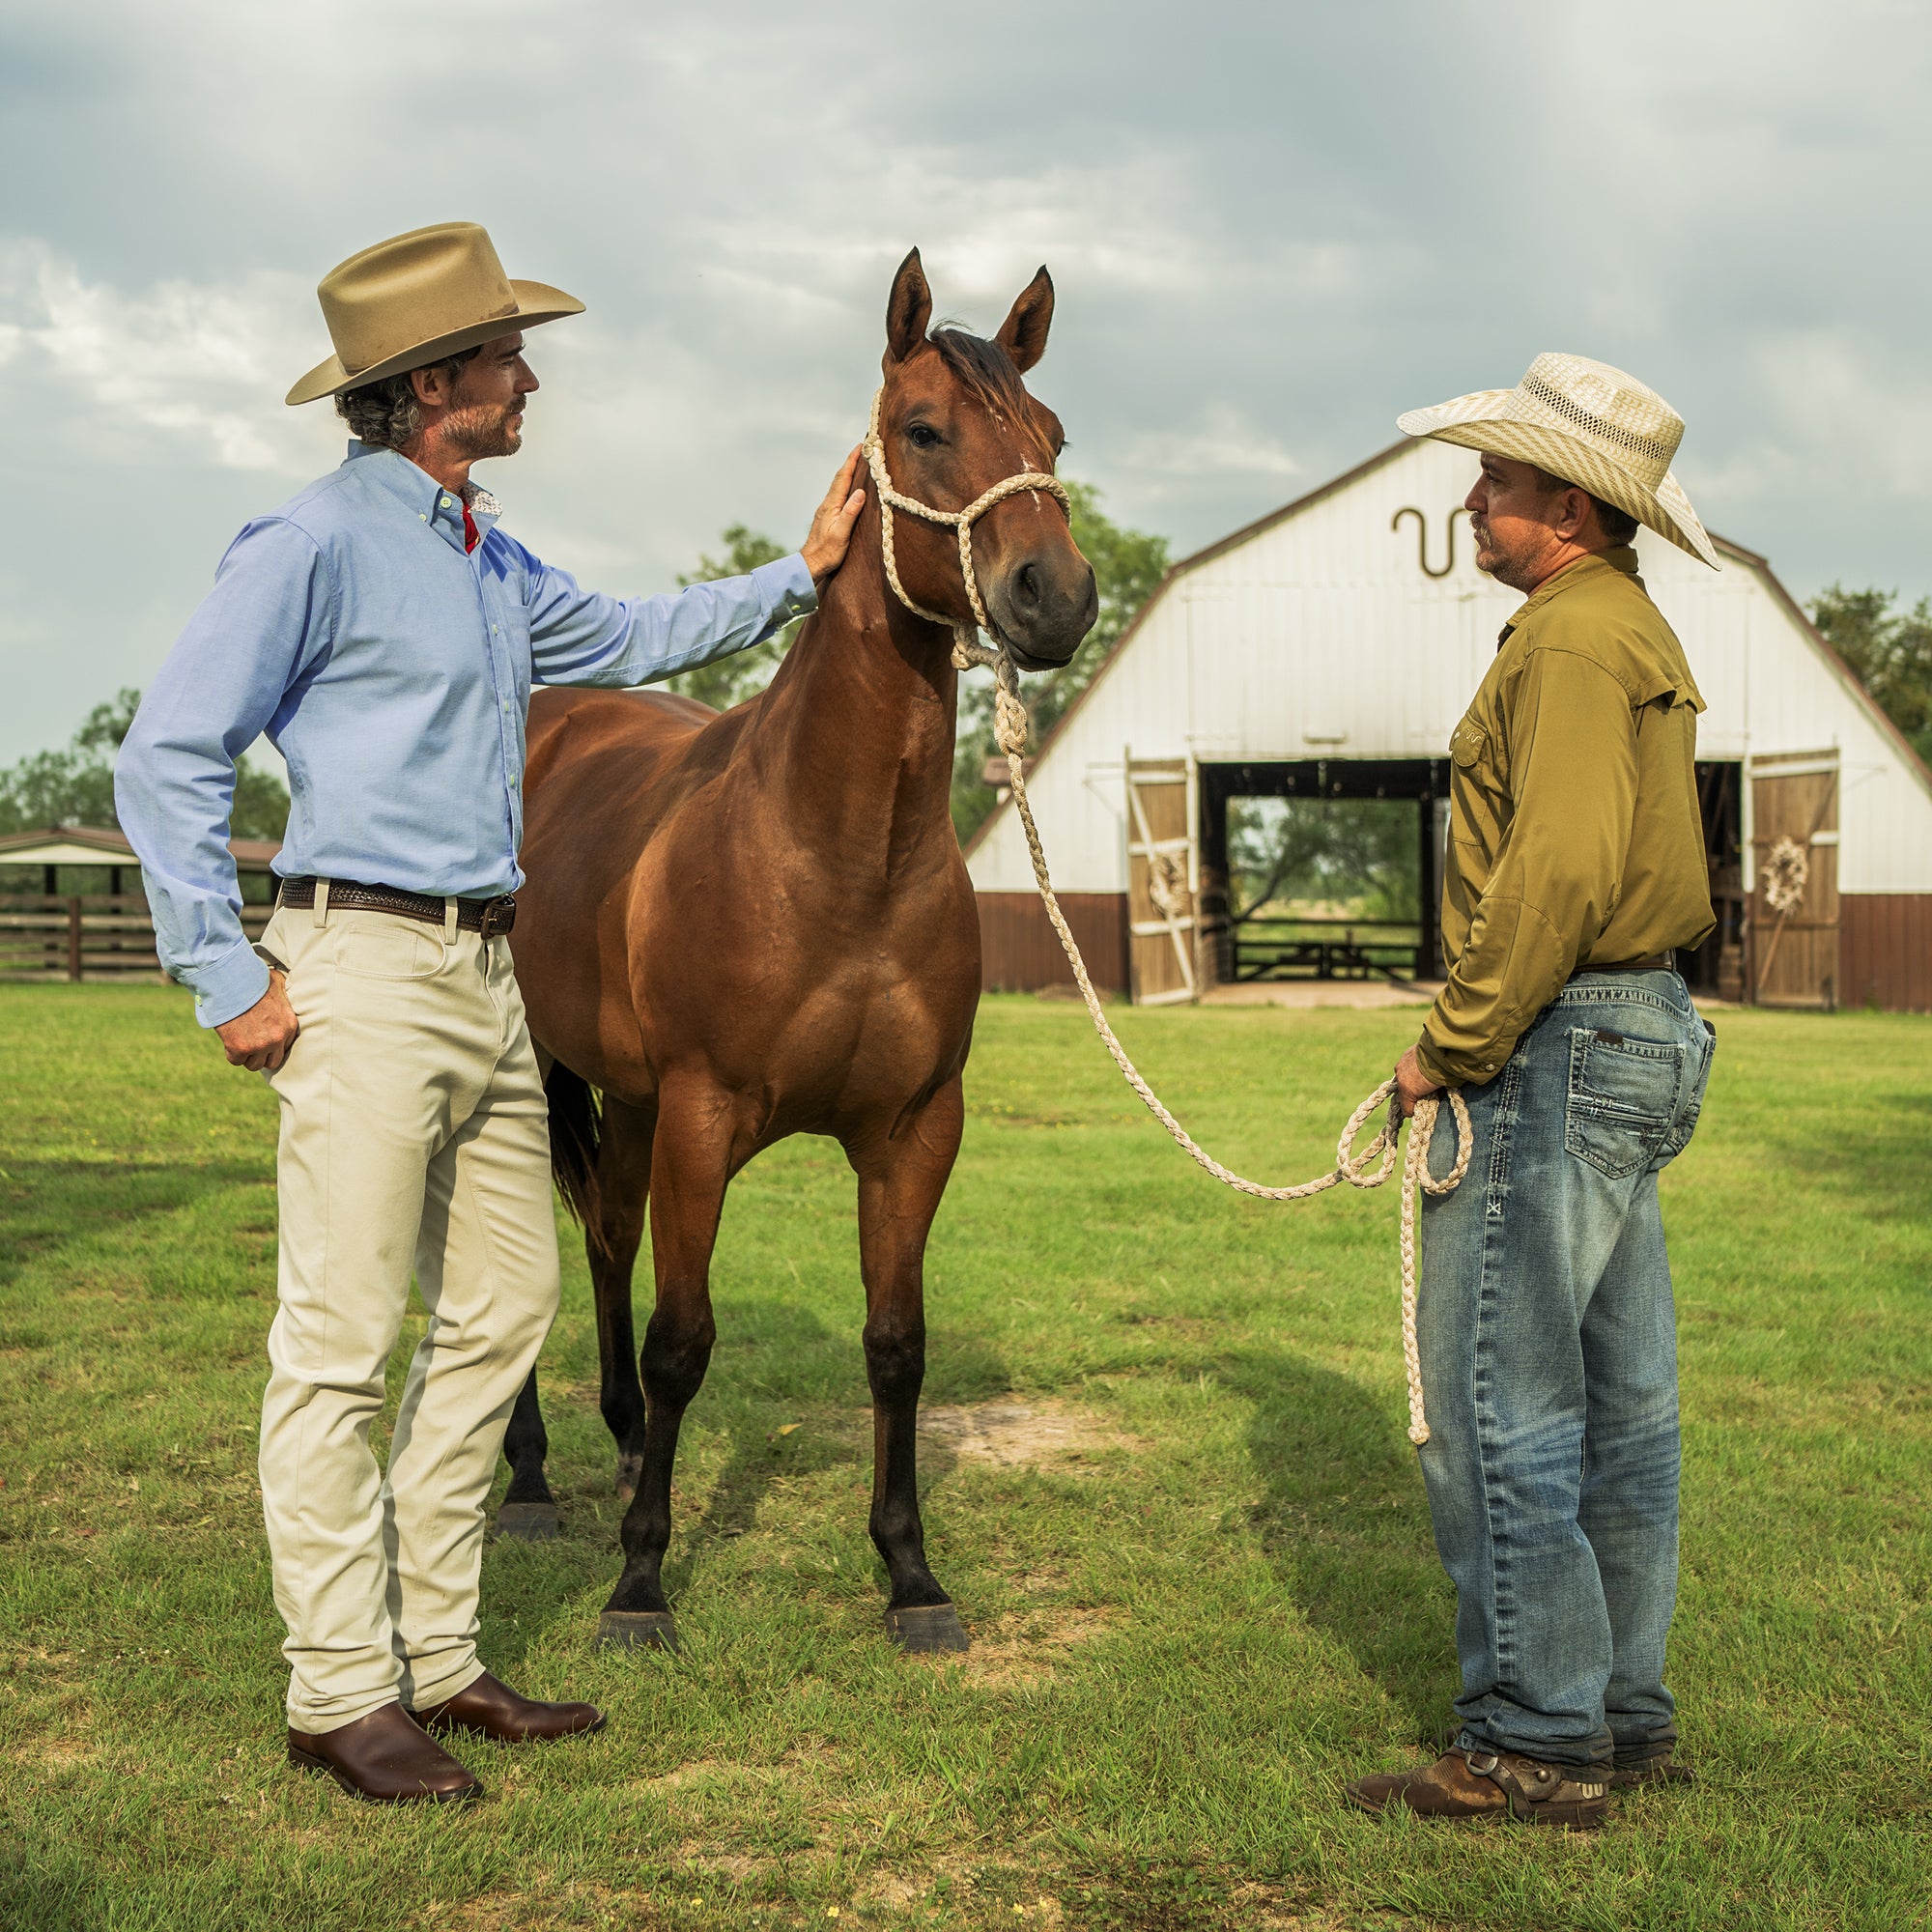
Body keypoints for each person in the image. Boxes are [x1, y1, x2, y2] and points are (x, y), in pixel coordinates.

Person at [115, 222, 867, 1805]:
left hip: (491, 973)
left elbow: (628, 638)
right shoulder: (308, 544)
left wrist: (800, 576)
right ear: (435, 382)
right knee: (337, 1347)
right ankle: (337, 1693)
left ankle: (439, 1656)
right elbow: (166, 754)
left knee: (502, 1314)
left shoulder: (486, 556)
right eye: (508, 355)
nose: (530, 377)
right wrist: (224, 971)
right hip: (365, 972)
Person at [1348, 355, 1719, 1830]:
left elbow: (1557, 868)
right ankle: (1619, 1716)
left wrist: (1453, 1042)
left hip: (1557, 1039)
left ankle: (1530, 1741)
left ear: (1565, 503)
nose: (1474, 499)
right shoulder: (1623, 623)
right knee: (1626, 1404)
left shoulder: (1566, 641)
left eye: (1495, 481)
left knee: (1503, 1407)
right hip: (1638, 1029)